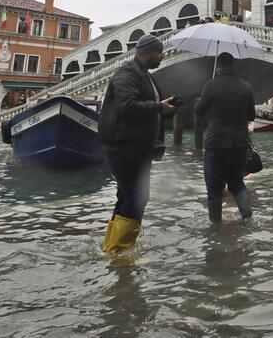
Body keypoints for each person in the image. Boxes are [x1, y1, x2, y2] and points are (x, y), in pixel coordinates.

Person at [98, 34, 178, 256]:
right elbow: (126, 106)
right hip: (124, 148)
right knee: (136, 197)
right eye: (159, 52)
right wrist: (158, 107)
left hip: (138, 149)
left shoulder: (144, 76)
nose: (162, 56)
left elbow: (148, 108)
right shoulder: (126, 74)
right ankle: (121, 253)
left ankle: (112, 248)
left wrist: (166, 109)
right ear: (146, 53)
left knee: (127, 196)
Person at [194, 52, 256, 223]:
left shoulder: (211, 85)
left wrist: (203, 98)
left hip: (216, 143)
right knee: (237, 183)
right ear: (233, 66)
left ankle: (215, 227)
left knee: (214, 188)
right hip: (239, 143)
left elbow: (199, 111)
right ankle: (248, 219)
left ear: (218, 67)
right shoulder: (246, 87)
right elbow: (251, 115)